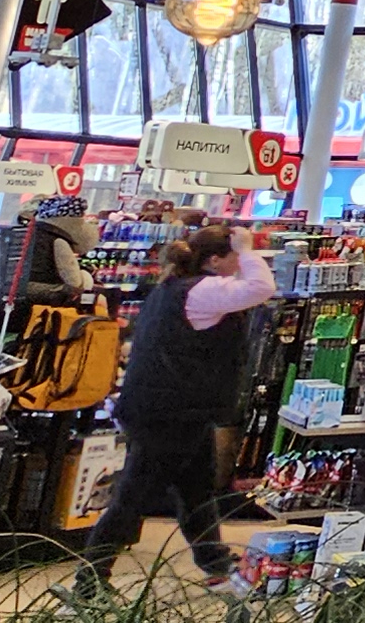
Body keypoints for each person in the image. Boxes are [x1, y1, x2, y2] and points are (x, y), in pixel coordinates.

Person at [71, 223, 274, 591]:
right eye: (233, 257)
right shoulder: (204, 290)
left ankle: (215, 562)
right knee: (133, 496)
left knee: (196, 489)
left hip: (172, 407)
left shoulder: (175, 287)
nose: (238, 264)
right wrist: (247, 249)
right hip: (169, 411)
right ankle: (89, 579)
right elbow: (261, 288)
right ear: (215, 260)